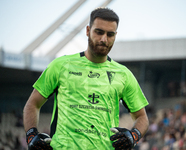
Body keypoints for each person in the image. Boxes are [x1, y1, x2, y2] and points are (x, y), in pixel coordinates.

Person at [23, 7, 149, 150]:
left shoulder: (124, 74)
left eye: (110, 34)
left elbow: (142, 117)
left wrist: (134, 135)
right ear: (88, 31)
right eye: (99, 32)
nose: (104, 39)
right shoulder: (61, 65)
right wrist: (31, 135)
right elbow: (32, 104)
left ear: (115, 35)